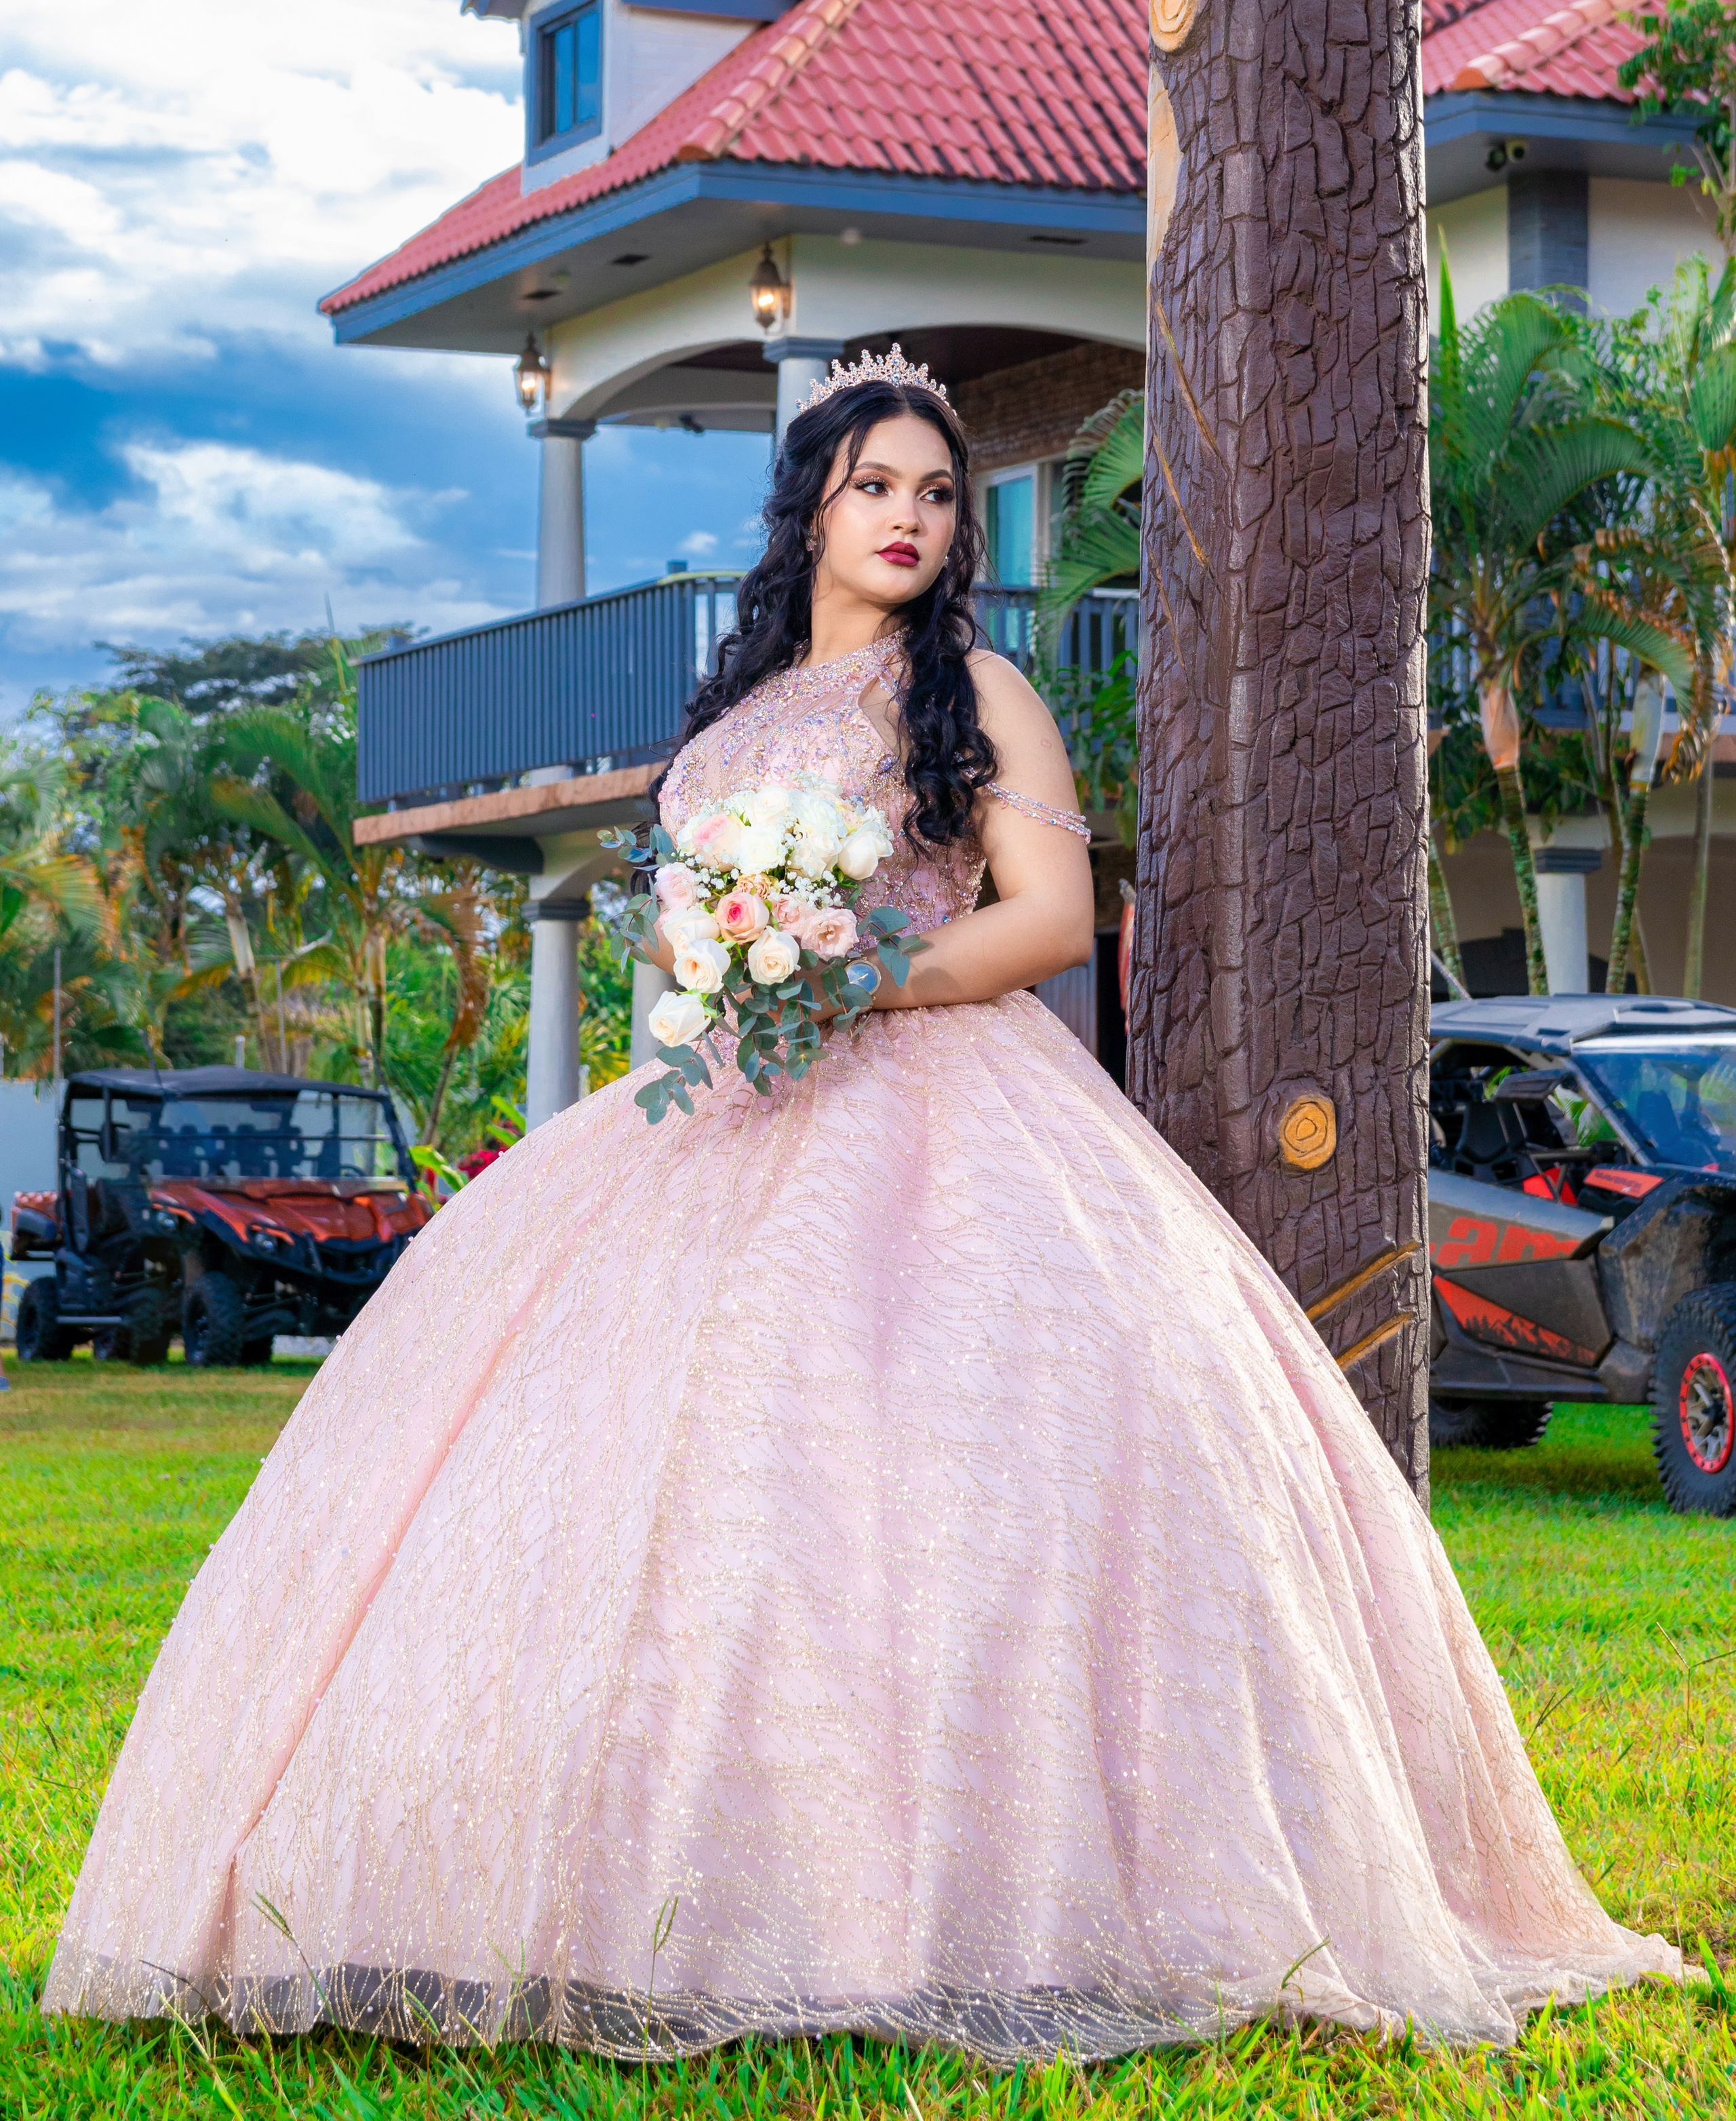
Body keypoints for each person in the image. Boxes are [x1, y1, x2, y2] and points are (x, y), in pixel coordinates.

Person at [46, 349, 1676, 2061]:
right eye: (873, 487)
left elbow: (1045, 916)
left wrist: (856, 976)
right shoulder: (730, 723)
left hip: (951, 1113)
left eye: (937, 494)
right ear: (808, 509)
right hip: (715, 1116)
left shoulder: (975, 692)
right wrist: (724, 962)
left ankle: (966, 1893)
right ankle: (632, 1877)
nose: (908, 518)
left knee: (931, 1477)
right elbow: (674, 925)